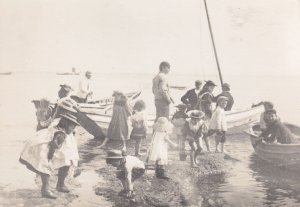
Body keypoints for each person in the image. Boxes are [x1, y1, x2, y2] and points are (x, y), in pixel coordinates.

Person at [19, 113, 80, 199]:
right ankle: (46, 190)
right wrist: (49, 159)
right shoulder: (61, 134)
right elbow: (52, 147)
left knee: (66, 161)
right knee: (46, 167)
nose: (73, 130)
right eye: (72, 127)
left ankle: (60, 184)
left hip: (47, 145)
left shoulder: (58, 128)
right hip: (45, 150)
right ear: (66, 125)